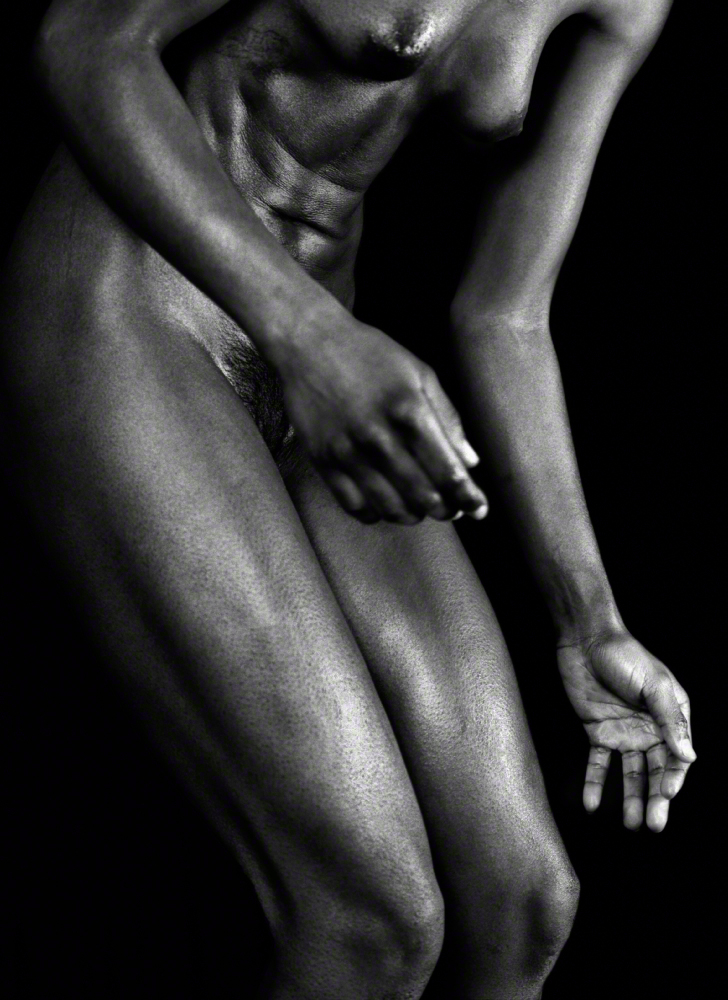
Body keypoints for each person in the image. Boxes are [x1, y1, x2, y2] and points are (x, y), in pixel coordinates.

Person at [0, 1, 695, 997]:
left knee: (523, 901)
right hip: (136, 303)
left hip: (328, 357)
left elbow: (505, 314)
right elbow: (82, 40)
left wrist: (588, 618)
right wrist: (309, 340)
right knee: (371, 916)